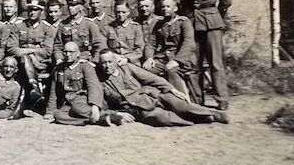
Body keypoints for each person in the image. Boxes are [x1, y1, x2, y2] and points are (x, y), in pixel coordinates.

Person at [97, 50, 228, 126]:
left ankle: (213, 115)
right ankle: (202, 119)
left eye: (110, 62)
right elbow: (101, 108)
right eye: (103, 63)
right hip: (137, 109)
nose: (107, 66)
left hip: (153, 96)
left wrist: (172, 89)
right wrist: (116, 114)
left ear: (116, 61)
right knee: (163, 118)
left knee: (181, 105)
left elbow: (152, 78)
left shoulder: (127, 68)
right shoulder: (100, 81)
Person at [187, 0, 233, 110]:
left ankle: (221, 99)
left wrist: (215, 15)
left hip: (211, 23)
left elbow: (226, 0)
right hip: (193, 24)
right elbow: (185, 5)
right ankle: (197, 99)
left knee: (215, 63)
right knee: (195, 64)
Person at [143, 0, 200, 101]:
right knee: (146, 71)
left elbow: (189, 43)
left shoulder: (183, 22)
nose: (165, 9)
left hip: (184, 58)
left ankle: (183, 102)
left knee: (171, 70)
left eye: (168, 6)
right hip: (164, 58)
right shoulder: (159, 24)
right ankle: (157, 101)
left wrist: (177, 61)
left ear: (175, 8)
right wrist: (149, 58)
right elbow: (151, 43)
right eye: (163, 7)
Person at [6, 0, 56, 112]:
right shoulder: (18, 26)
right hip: (21, 63)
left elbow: (47, 51)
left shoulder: (48, 29)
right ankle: (34, 88)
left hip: (40, 63)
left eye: (35, 9)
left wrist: (32, 53)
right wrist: (31, 52)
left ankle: (24, 102)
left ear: (41, 11)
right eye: (29, 9)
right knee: (23, 58)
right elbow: (12, 48)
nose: (32, 12)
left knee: (24, 58)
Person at [50, 41, 106, 126]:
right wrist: (49, 111)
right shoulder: (59, 68)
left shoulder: (85, 66)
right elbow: (53, 91)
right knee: (58, 115)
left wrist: (95, 106)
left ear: (77, 53)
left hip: (82, 99)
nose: (67, 54)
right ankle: (97, 119)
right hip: (68, 101)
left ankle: (107, 114)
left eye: (71, 52)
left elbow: (94, 86)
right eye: (65, 52)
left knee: (77, 108)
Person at [53, 0, 105, 64]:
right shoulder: (63, 25)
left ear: (80, 7)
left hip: (85, 61)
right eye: (69, 5)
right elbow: (57, 46)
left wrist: (94, 61)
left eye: (73, 5)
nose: (70, 8)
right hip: (67, 61)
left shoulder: (89, 24)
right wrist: (59, 59)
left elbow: (100, 45)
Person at [102, 0, 145, 65]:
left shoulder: (136, 27)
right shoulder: (107, 28)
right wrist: (115, 57)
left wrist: (126, 58)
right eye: (118, 12)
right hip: (113, 60)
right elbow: (104, 47)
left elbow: (139, 49)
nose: (120, 15)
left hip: (131, 60)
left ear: (128, 12)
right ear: (114, 12)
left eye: (123, 12)